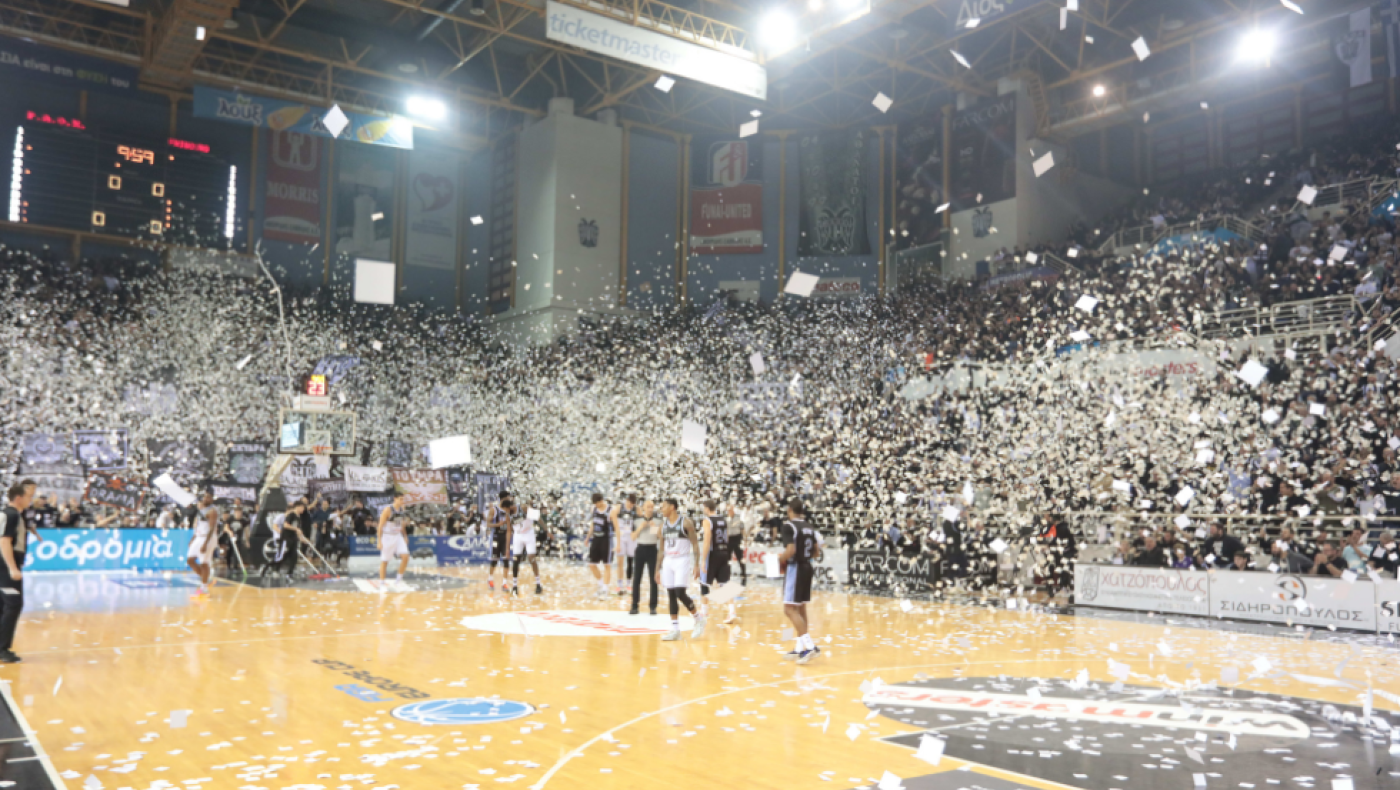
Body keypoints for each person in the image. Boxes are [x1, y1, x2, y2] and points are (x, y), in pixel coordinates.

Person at [778, 498, 820, 664]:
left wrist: (780, 560)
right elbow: (816, 552)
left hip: (795, 568)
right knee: (801, 607)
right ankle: (799, 648)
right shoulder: (809, 527)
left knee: (789, 609)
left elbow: (791, 549)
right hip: (807, 567)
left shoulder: (789, 526)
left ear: (789, 510)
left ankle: (810, 647)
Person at [0, 480, 37, 664]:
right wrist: (12, 568)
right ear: (19, 498)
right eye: (29, 496)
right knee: (13, 604)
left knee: (3, 606)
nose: (32, 499)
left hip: (4, 566)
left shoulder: (9, 514)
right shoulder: (12, 515)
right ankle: (2, 649)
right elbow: (4, 541)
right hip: (6, 567)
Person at [655, 497, 703, 641]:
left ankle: (698, 618)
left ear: (672, 507)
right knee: (671, 594)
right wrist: (657, 569)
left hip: (682, 559)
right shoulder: (662, 526)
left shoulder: (685, 523)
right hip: (668, 560)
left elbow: (695, 544)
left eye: (663, 506)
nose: (661, 509)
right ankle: (675, 630)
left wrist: (696, 564)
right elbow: (661, 550)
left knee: (679, 592)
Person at [699, 499, 737, 624]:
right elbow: (727, 537)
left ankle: (704, 611)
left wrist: (703, 560)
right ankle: (732, 612)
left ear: (706, 508)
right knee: (724, 584)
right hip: (724, 552)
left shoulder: (707, 521)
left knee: (704, 583)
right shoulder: (723, 520)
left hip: (713, 553)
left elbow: (707, 541)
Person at [629, 498, 660, 615]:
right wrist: (640, 527)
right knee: (637, 578)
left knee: (654, 579)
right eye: (648, 507)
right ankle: (634, 605)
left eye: (652, 507)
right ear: (643, 508)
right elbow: (633, 537)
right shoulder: (637, 520)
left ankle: (653, 607)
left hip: (652, 549)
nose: (650, 509)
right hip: (640, 548)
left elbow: (658, 537)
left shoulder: (658, 520)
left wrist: (653, 527)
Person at [185, 491, 219, 596]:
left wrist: (205, 543)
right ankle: (206, 580)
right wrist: (193, 538)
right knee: (190, 560)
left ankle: (204, 588)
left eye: (209, 497)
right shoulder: (201, 511)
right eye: (205, 497)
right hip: (199, 537)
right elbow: (199, 526)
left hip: (207, 538)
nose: (206, 499)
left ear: (212, 500)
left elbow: (212, 528)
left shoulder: (212, 511)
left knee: (204, 563)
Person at [376, 492, 411, 588]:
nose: (402, 501)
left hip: (398, 535)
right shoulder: (388, 509)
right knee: (385, 561)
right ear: (395, 499)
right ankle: (382, 582)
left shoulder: (402, 509)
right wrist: (379, 541)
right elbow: (380, 526)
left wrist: (405, 536)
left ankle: (398, 579)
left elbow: (401, 524)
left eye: (403, 499)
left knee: (406, 556)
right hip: (387, 536)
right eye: (400, 499)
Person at [509, 501, 544, 595]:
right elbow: (511, 522)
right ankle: (515, 585)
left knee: (532, 558)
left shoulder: (530, 511)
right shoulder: (510, 511)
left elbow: (539, 519)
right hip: (518, 535)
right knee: (516, 560)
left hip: (529, 534)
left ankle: (538, 584)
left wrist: (547, 531)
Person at [586, 492, 615, 599]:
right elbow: (593, 524)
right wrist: (588, 537)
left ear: (601, 501)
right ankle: (601, 583)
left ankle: (605, 589)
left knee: (607, 565)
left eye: (597, 503)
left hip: (606, 539)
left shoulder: (610, 510)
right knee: (591, 564)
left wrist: (618, 543)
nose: (596, 505)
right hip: (596, 539)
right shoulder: (593, 509)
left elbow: (616, 526)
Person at [485, 491, 512, 592]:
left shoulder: (508, 511)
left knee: (506, 559)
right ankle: (490, 579)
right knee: (494, 559)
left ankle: (505, 583)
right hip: (496, 536)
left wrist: (508, 546)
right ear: (503, 498)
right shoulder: (494, 510)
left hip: (504, 536)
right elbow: (487, 524)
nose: (509, 500)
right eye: (508, 498)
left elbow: (509, 530)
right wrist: (498, 524)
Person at [613, 495, 638, 596]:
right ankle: (619, 585)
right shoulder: (619, 508)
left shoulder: (636, 509)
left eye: (632, 503)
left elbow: (641, 521)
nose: (630, 505)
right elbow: (615, 525)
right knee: (620, 561)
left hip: (631, 536)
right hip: (621, 535)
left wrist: (636, 532)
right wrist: (618, 542)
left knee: (631, 561)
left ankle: (629, 584)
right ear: (626, 500)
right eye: (629, 502)